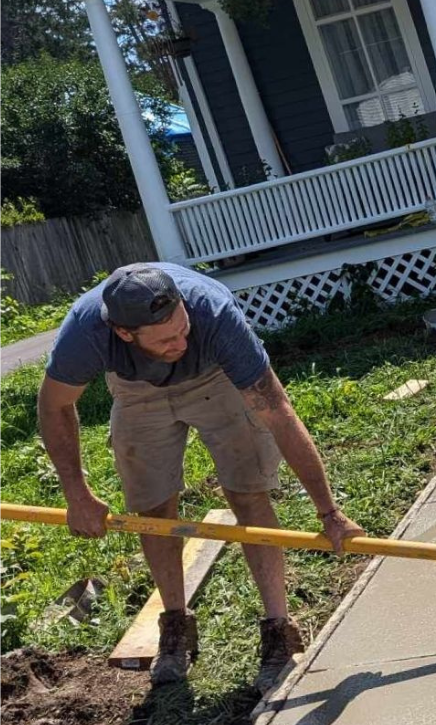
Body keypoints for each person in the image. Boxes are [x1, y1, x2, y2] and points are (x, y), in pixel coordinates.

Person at [38, 262, 364, 693]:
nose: (179, 342)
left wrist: (330, 511)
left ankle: (278, 629)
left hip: (216, 376)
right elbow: (54, 405)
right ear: (123, 333)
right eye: (166, 339)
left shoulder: (212, 316)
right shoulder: (86, 333)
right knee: (151, 507)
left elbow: (278, 413)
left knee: (248, 493)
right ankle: (175, 626)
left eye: (181, 328)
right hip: (137, 389)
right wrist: (76, 493)